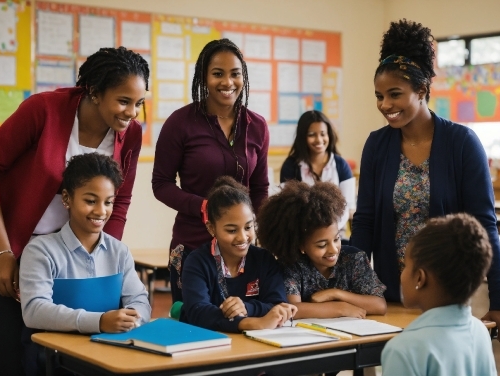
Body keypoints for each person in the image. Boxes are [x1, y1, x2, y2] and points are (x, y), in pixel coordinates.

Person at [0, 46, 148, 375]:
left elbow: (120, 199)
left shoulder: (131, 133)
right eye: (124, 101)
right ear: (94, 91)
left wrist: (100, 259)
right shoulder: (44, 110)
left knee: (74, 355)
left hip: (71, 256)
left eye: (139, 103)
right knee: (14, 356)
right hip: (6, 247)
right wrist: (1, 252)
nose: (132, 112)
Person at [350, 19, 500, 342]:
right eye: (379, 96)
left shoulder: (462, 144)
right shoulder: (376, 145)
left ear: (422, 90)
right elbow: (365, 224)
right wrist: (353, 288)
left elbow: (484, 224)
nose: (385, 105)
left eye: (395, 94)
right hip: (393, 297)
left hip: (452, 298)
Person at [152, 38, 269, 303]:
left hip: (241, 250)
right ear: (204, 79)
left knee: (241, 323)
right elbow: (161, 183)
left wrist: (264, 230)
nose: (228, 82)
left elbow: (260, 188)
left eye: (235, 74)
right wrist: (203, 207)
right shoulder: (180, 123)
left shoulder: (257, 126)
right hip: (193, 246)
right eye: (218, 74)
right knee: (194, 329)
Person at [20, 153, 150, 375]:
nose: (101, 211)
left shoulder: (119, 251)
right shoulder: (40, 250)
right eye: (90, 201)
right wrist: (99, 322)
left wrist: (131, 317)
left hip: (110, 353)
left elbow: (139, 300)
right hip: (56, 359)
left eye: (108, 202)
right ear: (67, 198)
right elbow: (34, 310)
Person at [381, 213, 497, 375]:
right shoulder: (480, 332)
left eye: (406, 266)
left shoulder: (403, 349)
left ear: (420, 278)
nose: (402, 273)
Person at [179, 176, 296, 333]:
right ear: (211, 228)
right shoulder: (197, 262)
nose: (242, 237)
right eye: (232, 230)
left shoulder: (264, 259)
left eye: (248, 227)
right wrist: (251, 323)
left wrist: (246, 308)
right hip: (207, 344)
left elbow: (278, 305)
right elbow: (197, 312)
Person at [257, 180, 386, 319]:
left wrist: (335, 293)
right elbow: (293, 309)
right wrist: (340, 308)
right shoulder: (292, 265)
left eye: (336, 239)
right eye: (322, 245)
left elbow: (379, 305)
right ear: (301, 246)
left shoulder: (354, 259)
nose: (333, 250)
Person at [280, 110, 355, 239]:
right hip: (303, 236)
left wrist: (330, 231)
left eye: (323, 134)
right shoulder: (291, 166)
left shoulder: (341, 165)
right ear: (302, 136)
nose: (319, 140)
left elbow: (348, 208)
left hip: (337, 235)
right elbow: (289, 208)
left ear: (329, 135)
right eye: (311, 135)